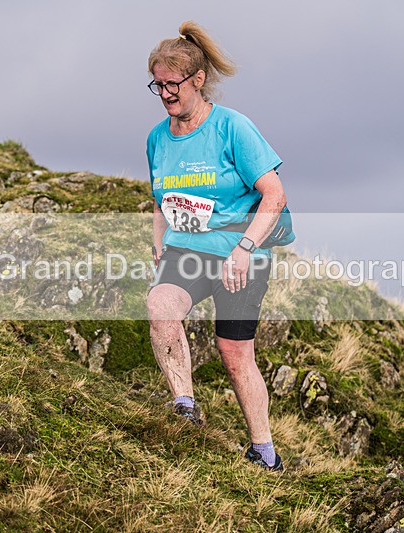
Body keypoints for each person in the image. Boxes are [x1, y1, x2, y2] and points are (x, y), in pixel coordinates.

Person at [145, 21, 288, 471]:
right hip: (188, 250)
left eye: (173, 84)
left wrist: (244, 248)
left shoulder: (233, 129)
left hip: (240, 254)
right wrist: (159, 245)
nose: (166, 94)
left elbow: (275, 194)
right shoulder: (156, 138)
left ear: (198, 80)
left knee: (234, 353)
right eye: (157, 85)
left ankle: (263, 449)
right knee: (160, 304)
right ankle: (185, 407)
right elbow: (159, 199)